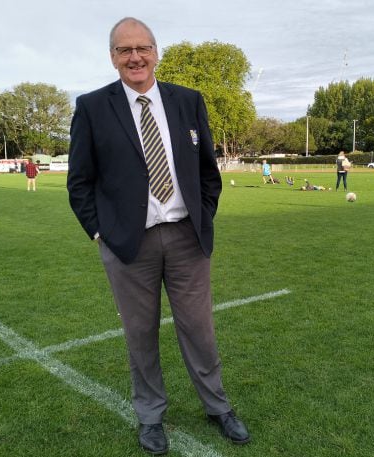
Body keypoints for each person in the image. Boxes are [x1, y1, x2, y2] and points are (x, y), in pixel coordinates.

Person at [66, 17, 249, 455]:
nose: (135, 57)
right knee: (139, 334)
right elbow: (80, 182)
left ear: (156, 52)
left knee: (199, 329)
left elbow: (208, 170)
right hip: (129, 245)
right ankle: (150, 416)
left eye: (142, 48)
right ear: (112, 57)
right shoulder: (92, 107)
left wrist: (203, 218)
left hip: (188, 239)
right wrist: (100, 233)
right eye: (124, 50)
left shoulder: (188, 101)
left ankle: (218, 406)